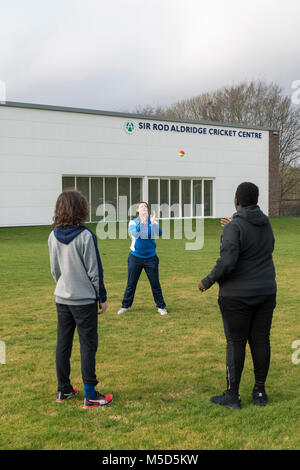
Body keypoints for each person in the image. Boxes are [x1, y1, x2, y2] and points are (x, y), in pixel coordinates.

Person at [198, 182, 276, 409]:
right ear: (257, 200)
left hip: (237, 295)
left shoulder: (234, 227)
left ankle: (233, 396)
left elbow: (228, 262)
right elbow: (263, 246)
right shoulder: (266, 223)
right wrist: (236, 226)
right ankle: (260, 392)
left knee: (236, 342)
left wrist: (208, 280)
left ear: (236, 200)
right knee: (261, 340)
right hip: (266, 291)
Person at [48, 190, 114, 409]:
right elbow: (95, 271)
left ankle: (63, 389)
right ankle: (90, 395)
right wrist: (101, 297)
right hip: (84, 301)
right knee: (87, 345)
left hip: (62, 299)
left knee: (63, 344)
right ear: (81, 209)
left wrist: (64, 284)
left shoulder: (52, 236)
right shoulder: (86, 235)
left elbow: (54, 270)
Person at [118, 201, 168, 316]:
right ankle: (125, 306)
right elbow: (135, 234)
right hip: (135, 257)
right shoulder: (133, 222)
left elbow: (159, 233)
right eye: (142, 206)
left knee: (155, 283)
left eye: (146, 206)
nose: (144, 208)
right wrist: (142, 222)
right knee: (131, 283)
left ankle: (161, 307)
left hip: (151, 258)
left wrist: (153, 222)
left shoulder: (152, 222)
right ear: (138, 210)